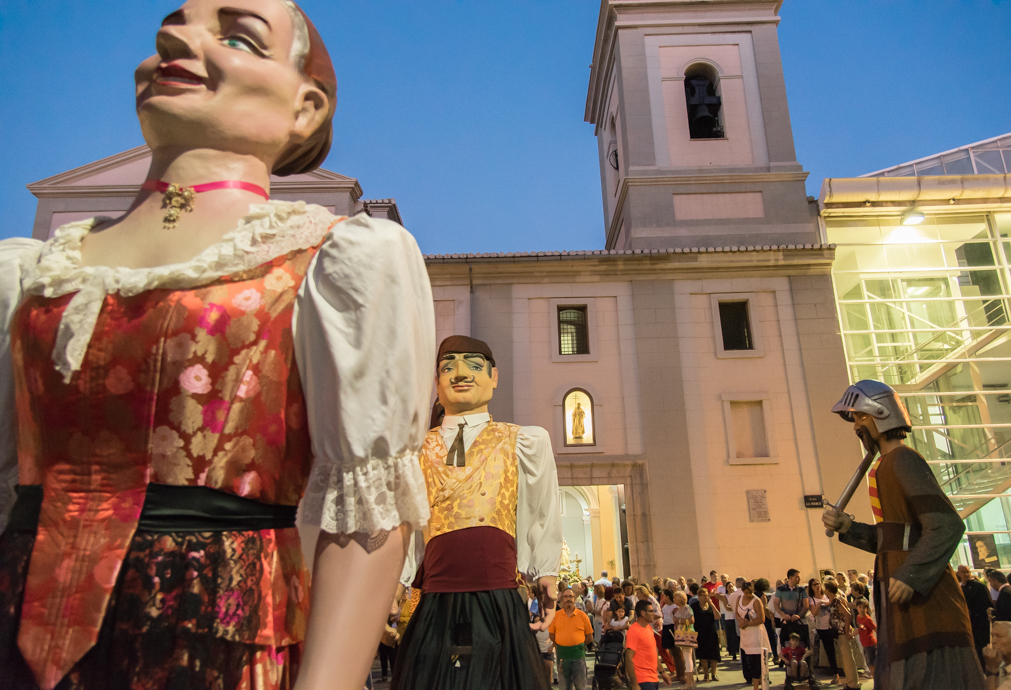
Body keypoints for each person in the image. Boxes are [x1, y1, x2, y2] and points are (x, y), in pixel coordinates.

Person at [0, 2, 437, 689]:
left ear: (307, 107)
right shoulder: (27, 275)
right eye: (172, 26)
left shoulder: (336, 260)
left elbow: (368, 509)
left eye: (239, 37)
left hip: (219, 638)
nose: (176, 36)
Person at [392, 336, 562, 690]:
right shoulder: (414, 450)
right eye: (448, 366)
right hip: (436, 598)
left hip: (498, 596)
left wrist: (546, 569)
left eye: (473, 365)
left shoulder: (524, 441)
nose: (460, 373)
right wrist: (397, 579)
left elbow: (543, 506)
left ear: (494, 377)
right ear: (436, 381)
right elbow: (405, 521)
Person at [823, 379, 984, 689]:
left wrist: (912, 575)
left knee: (928, 674)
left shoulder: (903, 459)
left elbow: (947, 525)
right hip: (897, 587)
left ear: (880, 414)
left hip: (924, 597)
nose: (856, 426)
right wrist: (848, 527)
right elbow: (893, 538)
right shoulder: (885, 464)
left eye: (860, 416)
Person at [549, 588, 594, 690]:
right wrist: (558, 644)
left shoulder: (582, 616)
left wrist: (580, 646)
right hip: (562, 657)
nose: (568, 599)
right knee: (564, 686)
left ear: (575, 599)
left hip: (578, 656)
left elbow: (589, 636)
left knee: (580, 686)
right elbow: (551, 635)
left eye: (570, 596)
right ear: (562, 599)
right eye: (566, 596)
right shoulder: (556, 616)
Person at [624, 600, 673, 690]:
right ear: (643, 613)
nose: (654, 614)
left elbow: (653, 652)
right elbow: (629, 657)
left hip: (653, 678)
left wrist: (662, 672)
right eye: (651, 611)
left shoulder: (649, 628)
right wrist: (634, 684)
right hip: (642, 680)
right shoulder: (634, 630)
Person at [824, 580, 860, 690]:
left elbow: (847, 615)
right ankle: (852, 681)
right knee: (846, 658)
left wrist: (847, 632)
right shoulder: (835, 600)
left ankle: (853, 683)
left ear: (828, 590)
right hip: (839, 632)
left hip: (842, 632)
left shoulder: (836, 600)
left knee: (847, 658)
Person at [736, 580, 770, 690]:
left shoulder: (756, 601)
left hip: (755, 634)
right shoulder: (739, 598)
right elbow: (736, 613)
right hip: (745, 634)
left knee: (755, 661)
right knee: (747, 660)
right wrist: (741, 620)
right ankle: (755, 681)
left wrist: (747, 623)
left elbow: (761, 619)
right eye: (746, 593)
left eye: (750, 592)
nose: (748, 595)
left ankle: (756, 687)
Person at [809, 580, 841, 683]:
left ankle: (841, 670)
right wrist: (820, 604)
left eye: (818, 584)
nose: (817, 586)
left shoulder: (826, 595)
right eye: (814, 584)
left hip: (833, 625)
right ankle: (835, 674)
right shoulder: (812, 599)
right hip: (822, 628)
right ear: (811, 587)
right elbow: (814, 613)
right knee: (829, 650)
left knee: (839, 648)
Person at [957, 564, 993, 653]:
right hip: (971, 622)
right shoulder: (961, 588)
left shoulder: (979, 586)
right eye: (963, 572)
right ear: (958, 574)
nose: (966, 574)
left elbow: (987, 603)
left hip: (980, 622)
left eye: (967, 572)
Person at [690, 582, 720, 682]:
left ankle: (714, 674)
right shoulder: (694, 606)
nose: (706, 597)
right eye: (703, 595)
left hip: (711, 632)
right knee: (703, 655)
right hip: (700, 633)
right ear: (699, 596)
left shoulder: (711, 605)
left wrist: (712, 604)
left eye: (707, 595)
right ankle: (706, 675)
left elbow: (718, 617)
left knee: (714, 655)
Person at [775, 569, 810, 652]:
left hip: (799, 622)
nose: (799, 579)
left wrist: (799, 615)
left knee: (801, 645)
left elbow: (806, 606)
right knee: (787, 645)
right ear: (790, 577)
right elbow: (776, 604)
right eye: (797, 577)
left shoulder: (802, 590)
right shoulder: (780, 589)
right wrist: (783, 615)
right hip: (786, 622)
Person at [673, 591, 696, 688]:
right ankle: (690, 681)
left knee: (687, 657)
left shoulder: (686, 608)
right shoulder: (679, 609)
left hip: (686, 633)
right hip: (681, 633)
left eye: (675, 597)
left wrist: (679, 621)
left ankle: (689, 682)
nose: (674, 599)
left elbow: (691, 620)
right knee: (686, 657)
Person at [718, 578, 741, 662]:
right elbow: (727, 607)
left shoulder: (737, 595)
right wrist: (736, 608)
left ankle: (739, 653)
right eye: (729, 587)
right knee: (731, 636)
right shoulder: (725, 596)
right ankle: (733, 653)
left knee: (738, 636)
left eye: (732, 586)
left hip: (737, 618)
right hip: (729, 618)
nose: (731, 588)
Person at [855, 599, 877, 678]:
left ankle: (876, 682)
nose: (862, 609)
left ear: (867, 609)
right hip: (865, 644)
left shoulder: (868, 619)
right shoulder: (858, 617)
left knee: (872, 665)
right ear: (857, 608)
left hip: (870, 644)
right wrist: (851, 635)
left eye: (864, 608)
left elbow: (875, 629)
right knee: (869, 664)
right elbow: (859, 629)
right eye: (860, 607)